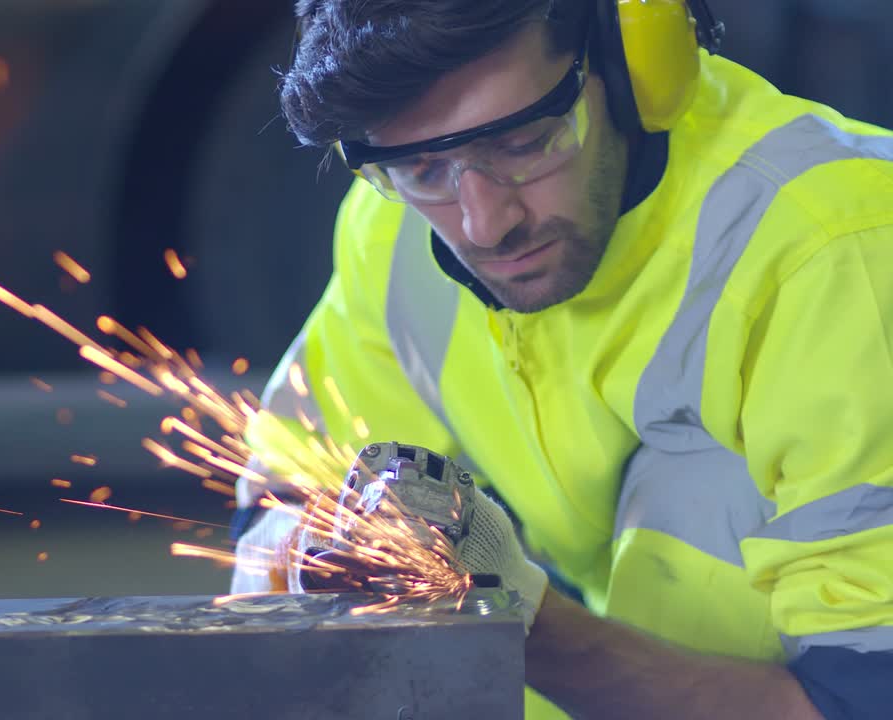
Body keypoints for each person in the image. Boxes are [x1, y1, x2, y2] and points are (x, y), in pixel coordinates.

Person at [228, 1, 893, 718]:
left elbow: (858, 701)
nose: (486, 225)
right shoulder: (393, 228)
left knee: (701, 488)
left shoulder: (838, 252)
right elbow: (291, 483)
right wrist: (305, 556)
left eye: (526, 143)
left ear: (637, 67)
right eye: (422, 167)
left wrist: (517, 615)